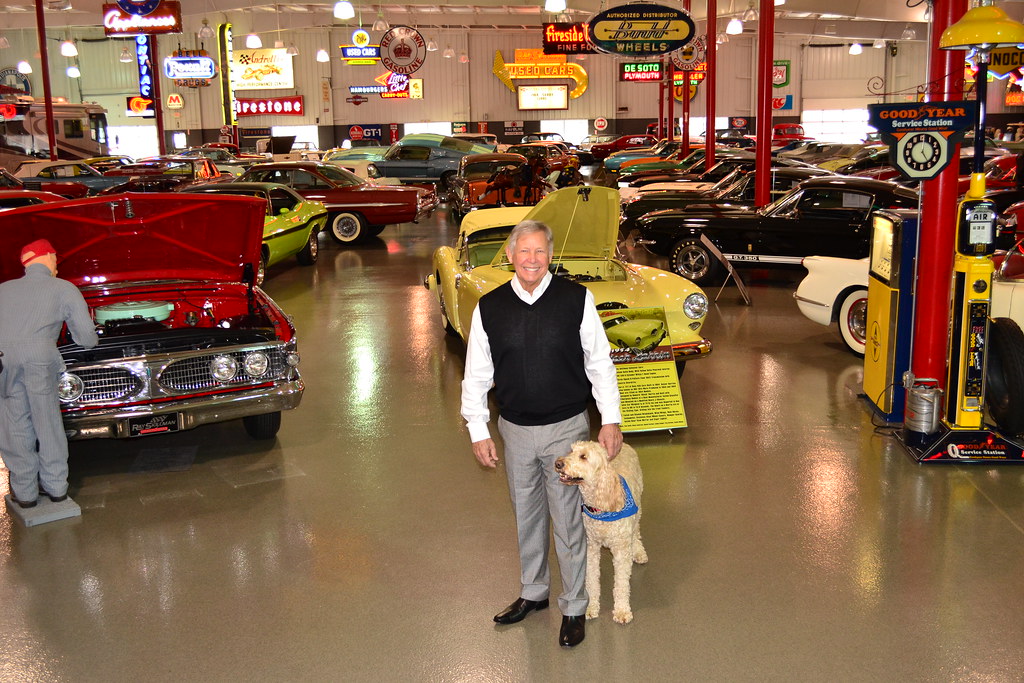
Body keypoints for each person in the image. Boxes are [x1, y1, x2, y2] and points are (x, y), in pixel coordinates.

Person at [461, 219, 622, 648]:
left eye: (540, 251)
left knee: (568, 521)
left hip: (566, 431)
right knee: (527, 515)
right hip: (514, 430)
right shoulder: (489, 307)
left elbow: (599, 362)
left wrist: (610, 418)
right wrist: (478, 429)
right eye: (524, 251)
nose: (532, 259)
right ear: (510, 255)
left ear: (550, 256)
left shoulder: (576, 299)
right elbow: (476, 374)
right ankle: (533, 592)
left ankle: (574, 605)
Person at [0, 238, 98, 508]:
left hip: (4, 361)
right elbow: (86, 338)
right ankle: (56, 488)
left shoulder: (3, 289)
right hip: (40, 360)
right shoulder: (63, 288)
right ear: (49, 257)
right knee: (47, 423)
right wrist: (91, 339)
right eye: (56, 259)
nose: (57, 265)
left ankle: (25, 493)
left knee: (13, 424)